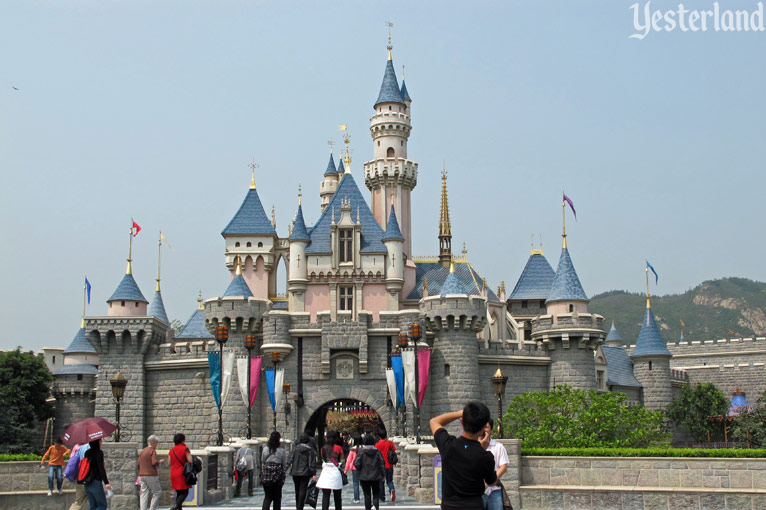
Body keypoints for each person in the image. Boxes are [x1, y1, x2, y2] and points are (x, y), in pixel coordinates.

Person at [430, 402, 497, 510]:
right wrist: (481, 448)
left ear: (462, 421)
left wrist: (459, 413)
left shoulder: (448, 445)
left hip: (450, 507)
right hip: (474, 506)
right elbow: (492, 482)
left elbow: (434, 421)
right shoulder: (485, 456)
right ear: (483, 428)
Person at [483, 419, 509, 510]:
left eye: (486, 427)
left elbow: (503, 466)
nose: (483, 429)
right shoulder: (471, 446)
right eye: (481, 427)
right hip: (476, 490)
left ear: (491, 430)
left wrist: (489, 482)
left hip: (494, 489)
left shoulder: (498, 446)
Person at [79, 439, 112, 510]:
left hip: (87, 482)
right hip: (95, 481)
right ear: (98, 442)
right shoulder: (99, 453)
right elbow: (101, 469)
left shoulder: (87, 453)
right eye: (100, 441)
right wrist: (106, 483)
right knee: (102, 505)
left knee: (93, 506)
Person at [354, 434, 386, 510]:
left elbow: (356, 464)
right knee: (376, 494)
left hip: (364, 476)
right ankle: (376, 507)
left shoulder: (361, 452)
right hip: (376, 476)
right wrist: (383, 474)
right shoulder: (377, 451)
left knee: (367, 495)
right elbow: (382, 463)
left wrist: (360, 469)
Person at [287, 433, 317, 510]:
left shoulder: (295, 449)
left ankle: (298, 505)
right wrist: (313, 473)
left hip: (295, 472)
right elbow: (311, 463)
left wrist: (285, 469)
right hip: (305, 473)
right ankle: (300, 507)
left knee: (297, 490)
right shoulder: (310, 450)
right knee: (303, 490)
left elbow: (290, 460)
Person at [315, 431, 344, 510]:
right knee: (337, 497)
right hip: (336, 473)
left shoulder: (323, 449)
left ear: (326, 437)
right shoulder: (339, 448)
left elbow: (323, 459)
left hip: (326, 473)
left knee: (325, 496)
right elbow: (342, 461)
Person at [261, 430, 287, 510]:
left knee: (267, 497)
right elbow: (284, 463)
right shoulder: (282, 451)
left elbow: (262, 460)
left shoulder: (266, 449)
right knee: (277, 498)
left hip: (267, 475)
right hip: (277, 475)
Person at [138, 435, 164, 510]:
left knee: (144, 494)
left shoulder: (143, 451)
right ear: (153, 443)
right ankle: (152, 508)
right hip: (151, 474)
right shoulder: (152, 451)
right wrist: (159, 462)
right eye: (156, 443)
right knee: (157, 492)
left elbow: (138, 463)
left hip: (142, 474)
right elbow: (154, 462)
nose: (157, 445)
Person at [168, 433, 193, 510]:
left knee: (178, 492)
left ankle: (178, 508)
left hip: (173, 472)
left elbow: (169, 463)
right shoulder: (185, 449)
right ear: (183, 440)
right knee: (185, 492)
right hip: (182, 473)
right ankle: (175, 506)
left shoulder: (171, 450)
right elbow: (190, 460)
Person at [374, 430, 396, 502]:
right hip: (389, 465)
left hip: (380, 466)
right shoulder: (390, 443)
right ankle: (391, 489)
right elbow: (395, 451)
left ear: (379, 436)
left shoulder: (377, 445)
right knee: (389, 480)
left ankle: (382, 497)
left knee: (381, 482)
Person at [67, 443, 89, 510]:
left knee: (78, 502)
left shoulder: (79, 448)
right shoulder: (91, 448)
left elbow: (72, 460)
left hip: (78, 478)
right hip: (87, 479)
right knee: (97, 502)